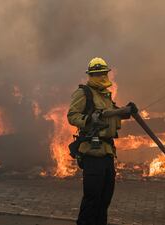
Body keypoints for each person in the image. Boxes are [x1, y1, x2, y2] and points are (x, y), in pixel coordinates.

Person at [67, 57, 136, 225]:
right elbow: (72, 116)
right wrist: (89, 119)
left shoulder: (105, 96)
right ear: (90, 75)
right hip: (92, 152)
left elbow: (113, 114)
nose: (101, 76)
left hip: (106, 152)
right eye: (97, 73)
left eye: (103, 73)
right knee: (92, 199)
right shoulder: (84, 93)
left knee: (104, 200)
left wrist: (127, 111)